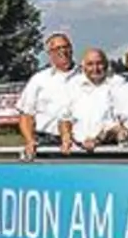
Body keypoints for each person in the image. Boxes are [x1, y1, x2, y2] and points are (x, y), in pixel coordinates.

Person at [17, 31, 85, 160]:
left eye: (66, 47)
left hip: (79, 142)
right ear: (50, 53)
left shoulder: (85, 77)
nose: (63, 51)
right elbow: (26, 115)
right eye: (58, 48)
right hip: (47, 145)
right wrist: (29, 140)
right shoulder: (39, 80)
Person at [59, 48, 126, 153]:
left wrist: (98, 139)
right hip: (78, 151)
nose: (95, 68)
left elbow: (121, 124)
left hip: (111, 151)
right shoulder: (72, 85)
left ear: (106, 64)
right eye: (90, 64)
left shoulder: (119, 84)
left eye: (99, 63)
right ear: (83, 67)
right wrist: (66, 137)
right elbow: (65, 119)